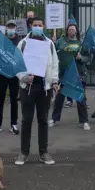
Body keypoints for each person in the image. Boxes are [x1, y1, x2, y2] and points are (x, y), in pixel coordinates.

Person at [14, 17, 59, 166]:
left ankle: (43, 152)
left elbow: (54, 64)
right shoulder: (23, 43)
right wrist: (24, 77)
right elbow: (16, 64)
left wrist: (54, 81)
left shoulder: (49, 44)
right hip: (27, 87)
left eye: (40, 25)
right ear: (30, 26)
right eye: (35, 25)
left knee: (43, 120)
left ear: (43, 26)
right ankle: (24, 152)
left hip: (44, 88)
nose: (38, 27)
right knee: (26, 120)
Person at [49, 23, 90, 130]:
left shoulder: (82, 44)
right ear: (67, 31)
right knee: (59, 98)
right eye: (69, 29)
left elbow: (88, 58)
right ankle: (54, 118)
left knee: (81, 98)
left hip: (77, 75)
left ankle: (84, 121)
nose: (71, 31)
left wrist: (81, 58)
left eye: (73, 29)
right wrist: (53, 43)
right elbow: (53, 53)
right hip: (63, 75)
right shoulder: (61, 42)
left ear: (76, 31)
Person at [0, 20, 21, 135]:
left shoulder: (20, 41)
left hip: (14, 75)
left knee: (14, 99)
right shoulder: (0, 40)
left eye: (13, 27)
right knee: (0, 99)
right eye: (9, 27)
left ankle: (14, 124)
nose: (11, 29)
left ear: (15, 28)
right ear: (6, 28)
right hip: (2, 73)